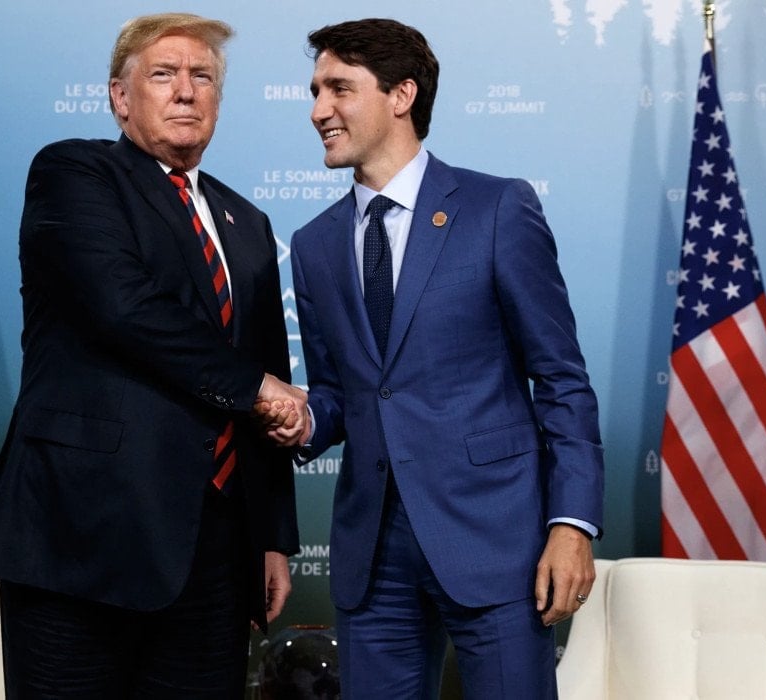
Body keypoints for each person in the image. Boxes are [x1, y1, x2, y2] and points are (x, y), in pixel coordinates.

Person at [0, 13, 307, 698]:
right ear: (120, 98)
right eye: (164, 74)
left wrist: (273, 536)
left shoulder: (249, 224)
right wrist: (258, 388)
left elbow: (268, 365)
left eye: (203, 76)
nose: (186, 90)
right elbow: (124, 306)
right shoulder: (75, 172)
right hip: (81, 535)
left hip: (215, 551)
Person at [283, 18, 605, 698]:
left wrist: (571, 523)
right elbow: (339, 393)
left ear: (401, 95)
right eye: (315, 91)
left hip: (497, 539)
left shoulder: (496, 209)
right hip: (372, 555)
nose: (318, 110)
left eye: (339, 88)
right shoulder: (313, 245)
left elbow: (561, 378)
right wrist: (301, 418)